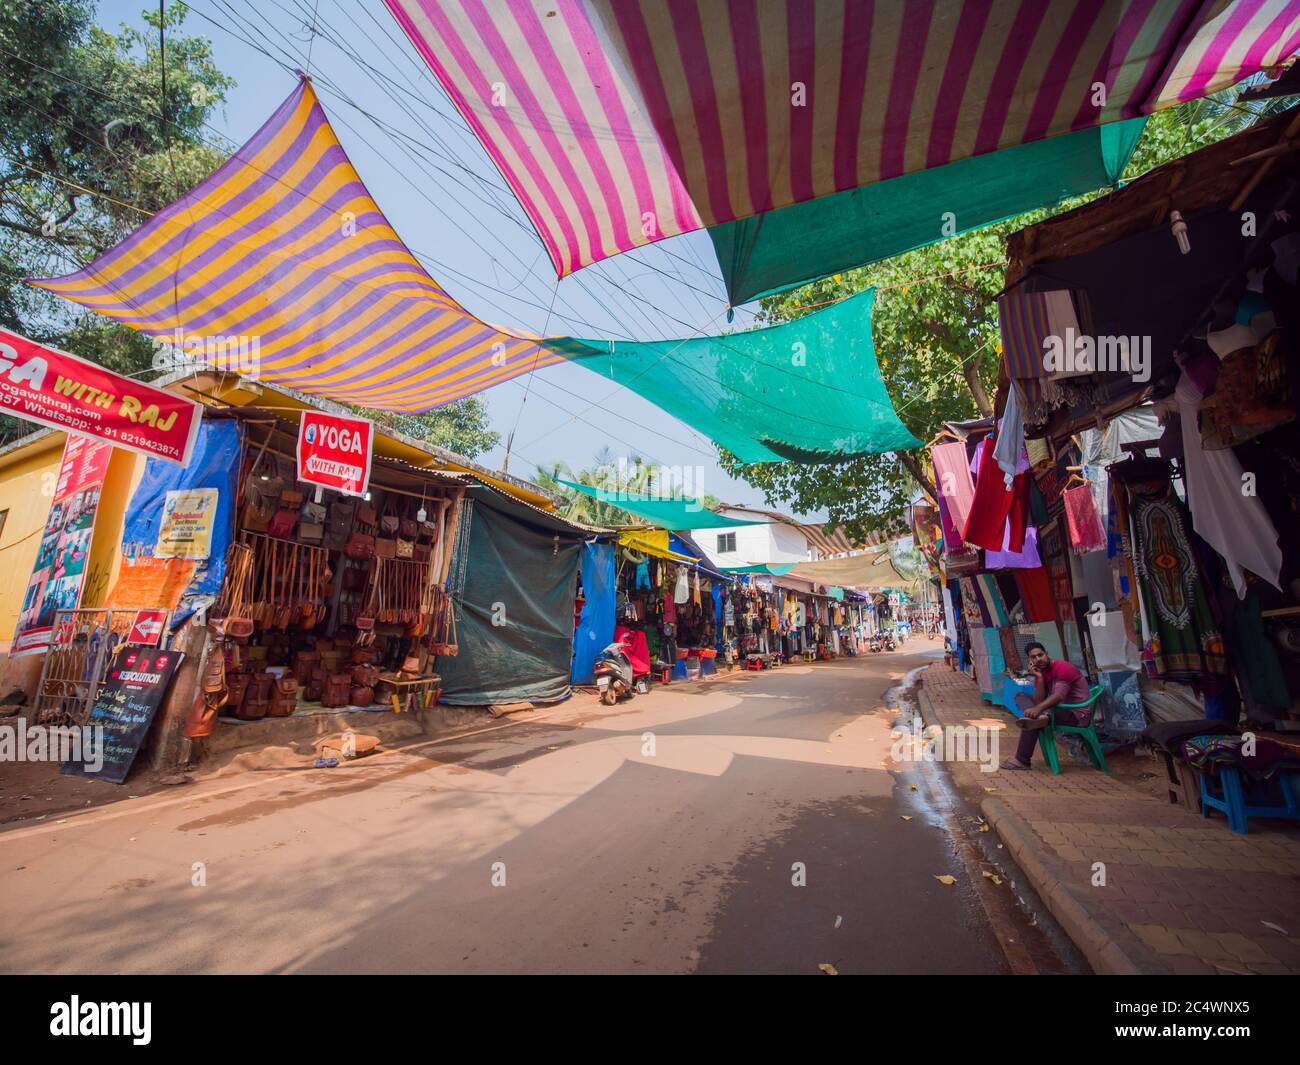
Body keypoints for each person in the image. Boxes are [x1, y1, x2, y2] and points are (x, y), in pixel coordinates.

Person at [1000, 641, 1091, 771]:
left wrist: (1038, 710)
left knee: (1032, 719)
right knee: (1020, 696)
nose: (1038, 659)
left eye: (1040, 655)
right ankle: (1042, 717)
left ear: (1047, 654)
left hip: (1076, 713)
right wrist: (1040, 678)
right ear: (1030, 660)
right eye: (1034, 657)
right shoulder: (1041, 672)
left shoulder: (1063, 668)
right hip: (1058, 710)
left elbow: (1058, 696)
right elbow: (1039, 699)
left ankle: (1022, 760)